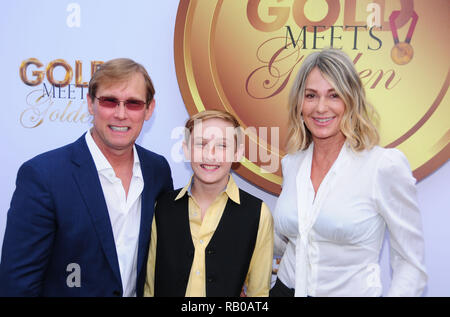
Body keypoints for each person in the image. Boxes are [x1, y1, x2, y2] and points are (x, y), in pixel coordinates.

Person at [0, 58, 173, 297]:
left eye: (133, 103)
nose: (121, 114)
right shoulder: (43, 175)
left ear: (149, 109)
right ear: (90, 103)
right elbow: (18, 284)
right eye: (109, 101)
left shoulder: (158, 170)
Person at [271, 48, 427, 297]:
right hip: (283, 291)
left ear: (351, 100)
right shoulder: (292, 163)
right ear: (299, 104)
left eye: (334, 95)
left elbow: (411, 264)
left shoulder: (383, 166)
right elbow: (289, 239)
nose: (321, 107)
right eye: (311, 96)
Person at [144, 110, 274, 297]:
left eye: (222, 145)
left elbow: (259, 293)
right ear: (186, 149)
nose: (210, 155)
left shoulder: (257, 214)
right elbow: (150, 285)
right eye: (201, 144)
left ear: (237, 153)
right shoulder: (163, 207)